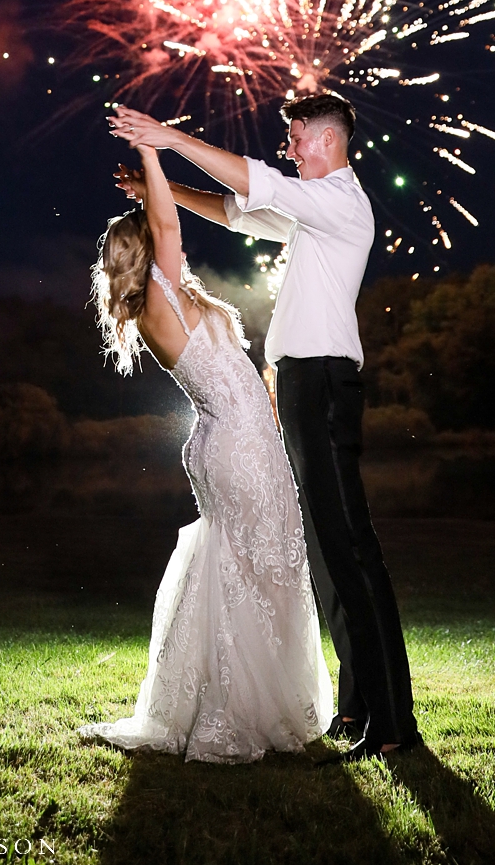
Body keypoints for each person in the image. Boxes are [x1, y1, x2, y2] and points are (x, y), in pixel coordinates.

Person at [108, 93, 419, 761]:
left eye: (297, 137)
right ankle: (357, 709)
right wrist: (154, 183)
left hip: (327, 382)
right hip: (302, 385)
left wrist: (165, 139)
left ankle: (394, 726)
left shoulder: (338, 201)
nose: (290, 148)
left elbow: (254, 181)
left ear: (329, 140)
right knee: (328, 557)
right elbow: (231, 208)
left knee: (352, 551)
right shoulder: (310, 216)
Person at [77, 140, 332, 763]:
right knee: (255, 568)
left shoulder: (167, 303)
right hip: (238, 447)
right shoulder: (162, 300)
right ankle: (236, 715)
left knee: (254, 566)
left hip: (239, 441)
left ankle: (246, 702)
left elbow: (167, 221)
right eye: (165, 240)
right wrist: (153, 152)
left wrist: (148, 186)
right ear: (151, 252)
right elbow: (169, 220)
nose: (177, 242)